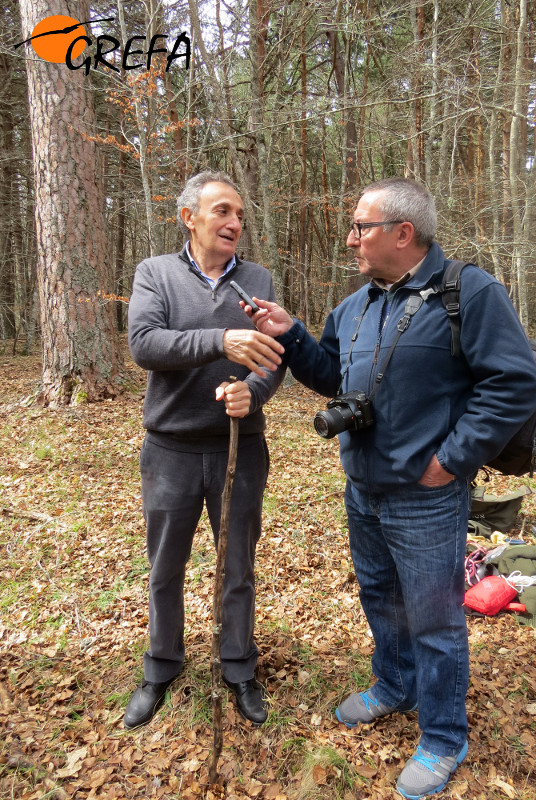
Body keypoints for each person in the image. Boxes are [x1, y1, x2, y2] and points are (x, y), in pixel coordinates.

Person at [243, 178, 536, 798]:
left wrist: (451, 460)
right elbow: (330, 376)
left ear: (402, 233)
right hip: (363, 487)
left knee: (434, 619)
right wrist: (292, 331)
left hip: (428, 494)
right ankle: (394, 685)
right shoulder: (355, 307)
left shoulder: (468, 291)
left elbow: (513, 383)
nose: (351, 238)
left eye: (361, 227)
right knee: (380, 595)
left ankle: (441, 735)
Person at [124, 171, 286, 729]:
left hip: (239, 450)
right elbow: (145, 344)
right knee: (165, 567)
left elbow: (273, 357)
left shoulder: (257, 278)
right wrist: (220, 341)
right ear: (189, 217)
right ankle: (161, 666)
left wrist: (252, 391)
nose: (235, 223)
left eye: (239, 214)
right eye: (222, 211)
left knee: (237, 565)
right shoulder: (156, 274)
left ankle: (239, 666)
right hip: (169, 450)